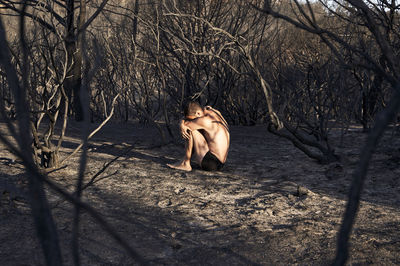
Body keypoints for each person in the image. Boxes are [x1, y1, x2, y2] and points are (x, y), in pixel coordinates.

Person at [167, 101, 230, 171]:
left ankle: (186, 163)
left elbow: (186, 125)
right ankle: (185, 161)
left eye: (194, 119)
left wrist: (181, 123)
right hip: (221, 163)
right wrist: (183, 120)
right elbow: (188, 117)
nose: (195, 120)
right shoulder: (214, 112)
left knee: (189, 129)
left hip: (211, 163)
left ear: (198, 113)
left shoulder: (204, 120)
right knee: (193, 126)